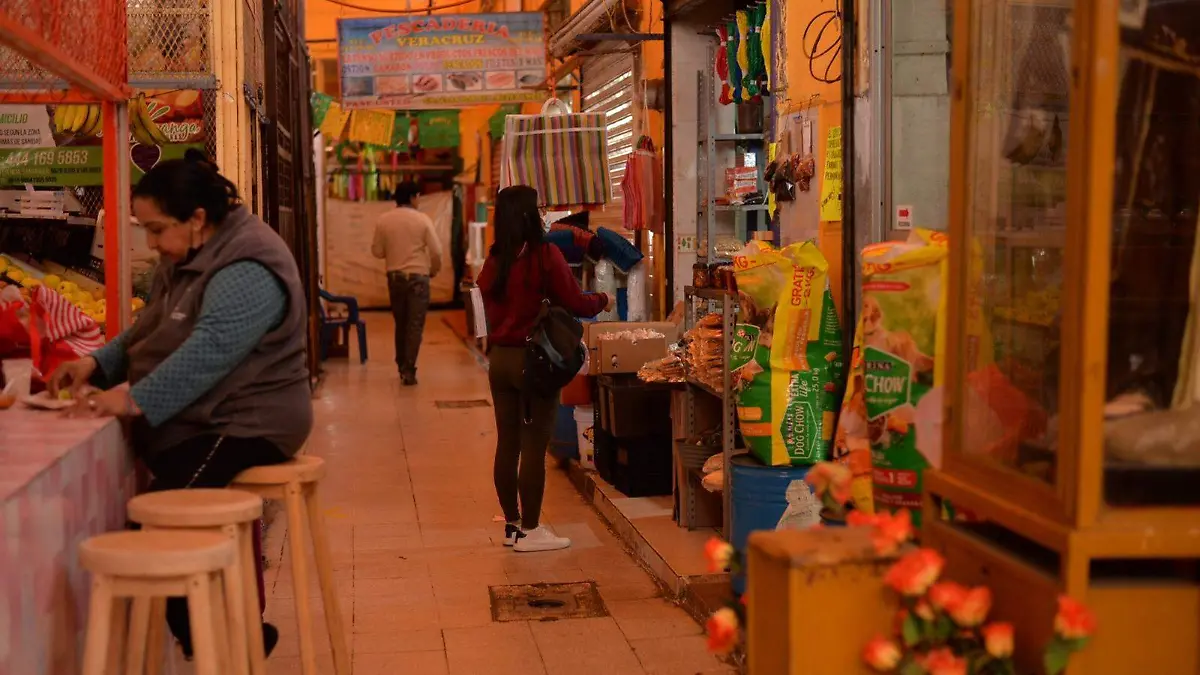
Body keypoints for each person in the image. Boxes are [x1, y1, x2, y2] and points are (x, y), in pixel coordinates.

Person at [49, 149, 312, 659]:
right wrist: (97, 366)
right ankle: (229, 636)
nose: (151, 243)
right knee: (161, 517)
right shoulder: (188, 252)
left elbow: (208, 352)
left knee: (154, 528)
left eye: (157, 229)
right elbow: (150, 328)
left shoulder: (248, 264)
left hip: (247, 421)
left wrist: (131, 400)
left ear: (196, 218)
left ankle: (226, 640)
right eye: (143, 229)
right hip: (205, 420)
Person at [477, 185, 611, 552]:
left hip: (500, 361)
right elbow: (577, 303)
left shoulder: (494, 260)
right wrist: (604, 298)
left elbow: (484, 305)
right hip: (533, 360)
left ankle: (512, 525)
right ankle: (532, 531)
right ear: (528, 215)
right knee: (535, 443)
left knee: (508, 443)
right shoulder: (543, 256)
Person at [371, 182, 442, 385]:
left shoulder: (384, 220)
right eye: (418, 196)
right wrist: (433, 271)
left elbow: (377, 251)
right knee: (414, 326)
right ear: (412, 197)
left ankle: (402, 364)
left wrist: (392, 251)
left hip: (395, 279)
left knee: (400, 323)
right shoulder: (422, 220)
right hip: (419, 278)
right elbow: (436, 252)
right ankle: (408, 369)